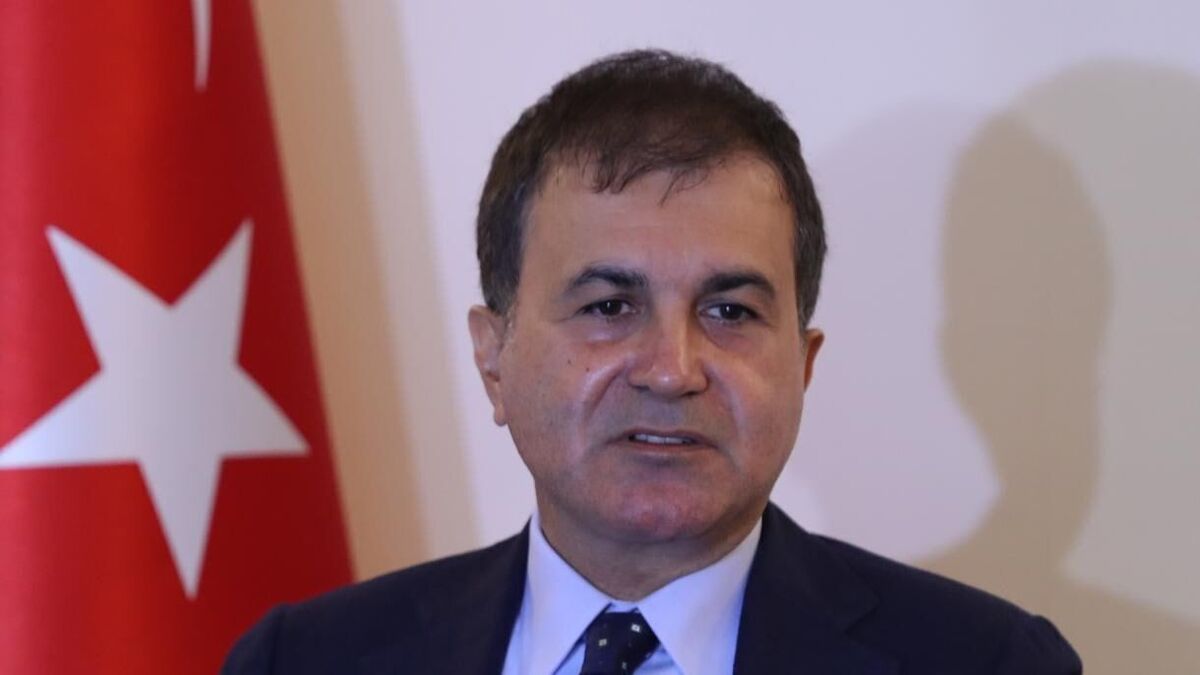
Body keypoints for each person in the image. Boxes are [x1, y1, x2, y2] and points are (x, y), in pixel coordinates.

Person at [223, 49, 1082, 674]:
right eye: (609, 307)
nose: (673, 370)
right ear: (494, 358)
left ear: (803, 364)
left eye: (730, 311)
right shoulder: (302, 660)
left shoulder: (988, 662)